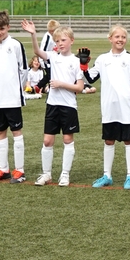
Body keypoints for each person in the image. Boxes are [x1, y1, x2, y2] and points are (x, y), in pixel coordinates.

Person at [22, 20, 84, 186]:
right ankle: (47, 174)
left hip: (69, 106)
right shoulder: (53, 57)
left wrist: (61, 84)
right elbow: (37, 51)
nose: (60, 43)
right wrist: (33, 34)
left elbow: (79, 87)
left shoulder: (76, 61)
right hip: (52, 105)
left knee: (67, 139)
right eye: (57, 41)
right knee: (47, 141)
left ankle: (65, 174)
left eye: (63, 40)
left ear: (72, 41)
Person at [84, 24, 130, 190]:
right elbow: (90, 78)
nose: (120, 40)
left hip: (126, 107)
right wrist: (83, 66)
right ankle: (107, 175)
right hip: (109, 108)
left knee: (128, 140)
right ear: (110, 38)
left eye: (123, 37)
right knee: (109, 141)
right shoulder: (103, 59)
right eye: (117, 37)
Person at [0, 11, 29, 184]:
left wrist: (17, 88)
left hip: (12, 97)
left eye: (2, 29)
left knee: (16, 132)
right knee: (0, 132)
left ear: (8, 27)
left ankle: (20, 170)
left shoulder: (16, 45)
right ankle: (4, 169)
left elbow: (23, 70)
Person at [38, 20, 58, 90]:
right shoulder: (47, 38)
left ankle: (37, 87)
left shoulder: (55, 36)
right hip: (46, 61)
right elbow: (42, 50)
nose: (52, 32)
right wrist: (43, 62)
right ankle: (50, 89)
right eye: (51, 31)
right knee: (51, 76)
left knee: (49, 76)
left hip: (52, 59)